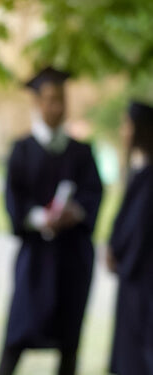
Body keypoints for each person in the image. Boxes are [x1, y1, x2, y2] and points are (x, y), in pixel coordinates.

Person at [0, 67, 103, 375]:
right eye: (49, 99)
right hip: (36, 256)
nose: (57, 106)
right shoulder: (22, 150)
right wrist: (41, 217)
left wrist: (76, 213)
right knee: (18, 333)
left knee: (69, 339)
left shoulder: (81, 150)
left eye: (61, 99)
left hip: (72, 257)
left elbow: (94, 193)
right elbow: (13, 199)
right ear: (37, 103)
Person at [107, 100, 153, 375]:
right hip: (134, 279)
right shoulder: (140, 172)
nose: (124, 131)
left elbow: (140, 230)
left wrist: (121, 260)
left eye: (128, 125)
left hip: (143, 282)